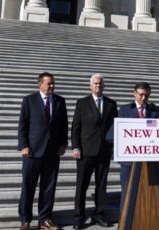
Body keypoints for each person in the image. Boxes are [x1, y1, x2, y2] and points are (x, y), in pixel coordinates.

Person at [17, 72, 68, 230]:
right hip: (32, 151)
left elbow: (64, 125)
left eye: (53, 83)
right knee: (28, 185)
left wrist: (63, 143)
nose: (52, 86)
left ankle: (45, 219)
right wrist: (23, 145)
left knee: (48, 187)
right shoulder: (29, 100)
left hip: (52, 152)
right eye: (49, 83)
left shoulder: (60, 101)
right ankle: (25, 220)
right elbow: (22, 125)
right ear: (40, 84)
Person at [71, 74, 118, 229]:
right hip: (85, 151)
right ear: (90, 86)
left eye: (101, 83)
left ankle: (98, 215)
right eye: (96, 83)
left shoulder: (111, 104)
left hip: (104, 151)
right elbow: (75, 127)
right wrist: (76, 147)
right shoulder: (82, 103)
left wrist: (113, 148)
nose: (98, 86)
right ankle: (79, 216)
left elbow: (114, 129)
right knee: (82, 185)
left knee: (101, 185)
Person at [117, 82, 159, 206]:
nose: (143, 98)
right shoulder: (125, 110)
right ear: (134, 93)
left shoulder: (155, 110)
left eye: (146, 95)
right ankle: (125, 222)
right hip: (128, 159)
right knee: (127, 191)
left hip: (149, 159)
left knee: (151, 192)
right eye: (141, 95)